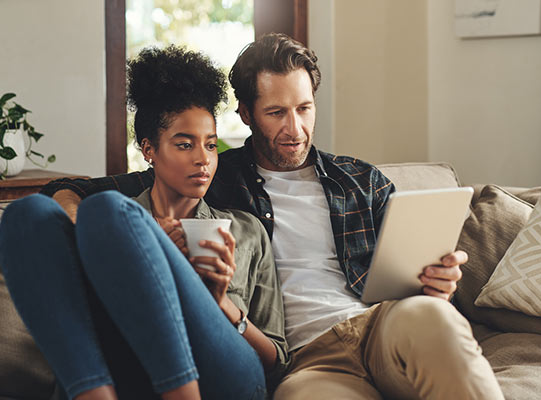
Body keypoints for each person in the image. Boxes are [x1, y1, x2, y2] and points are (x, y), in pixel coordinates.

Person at [41, 34, 504, 399]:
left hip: (384, 325)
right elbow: (74, 192)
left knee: (435, 319)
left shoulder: (360, 180)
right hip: (308, 362)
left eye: (304, 109)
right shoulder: (212, 175)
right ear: (245, 114)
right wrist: (112, 232)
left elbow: (413, 274)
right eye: (277, 112)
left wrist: (436, 284)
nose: (295, 128)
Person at [0, 45, 288, 400]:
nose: (203, 159)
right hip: (126, 367)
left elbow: (277, 360)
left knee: (108, 209)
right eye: (184, 145)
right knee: (24, 214)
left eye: (211, 146)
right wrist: (145, 244)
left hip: (225, 374)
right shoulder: (111, 223)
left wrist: (220, 303)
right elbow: (66, 194)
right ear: (149, 150)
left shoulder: (246, 231)